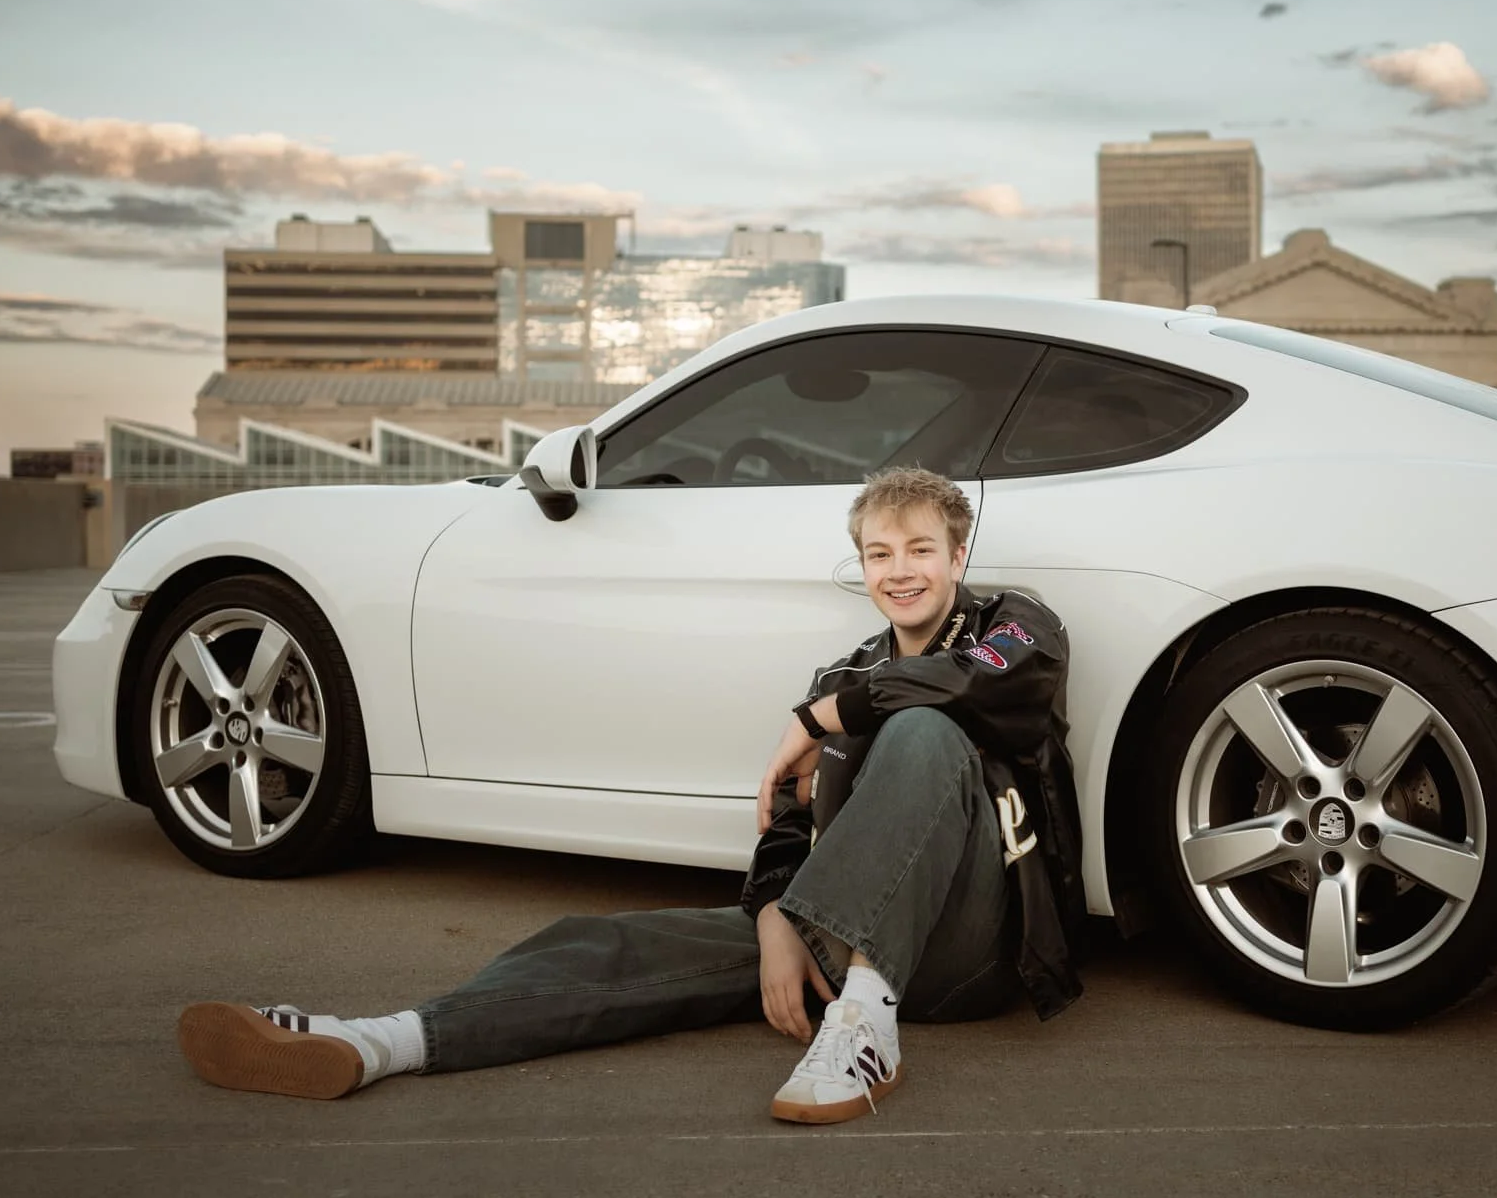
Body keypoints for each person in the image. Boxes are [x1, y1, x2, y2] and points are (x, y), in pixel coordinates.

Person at [175, 466, 1083, 1123]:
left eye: (922, 548)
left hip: (967, 947)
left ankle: (866, 1022)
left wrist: (826, 715)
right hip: (835, 930)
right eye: (880, 552)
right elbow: (790, 818)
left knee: (923, 731)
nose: (901, 569)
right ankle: (384, 1040)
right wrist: (772, 911)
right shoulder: (845, 669)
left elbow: (973, 690)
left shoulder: (1015, 626)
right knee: (601, 942)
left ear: (960, 552)